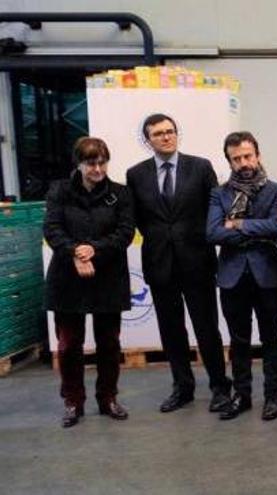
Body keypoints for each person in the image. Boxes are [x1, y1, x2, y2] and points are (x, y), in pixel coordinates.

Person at [126, 113, 231, 413]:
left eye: (170, 131)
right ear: (148, 140)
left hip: (197, 261)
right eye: (158, 133)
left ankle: (220, 387)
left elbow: (215, 211)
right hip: (160, 264)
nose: (166, 137)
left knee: (207, 328)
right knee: (171, 331)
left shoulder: (200, 167)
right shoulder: (136, 175)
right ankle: (182, 387)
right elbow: (139, 220)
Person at [44, 136, 135, 428]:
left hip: (107, 277)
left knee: (109, 342)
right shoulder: (59, 190)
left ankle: (108, 398)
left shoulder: (120, 193)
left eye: (102, 162)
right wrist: (75, 253)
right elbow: (52, 228)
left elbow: (125, 232)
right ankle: (73, 401)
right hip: (67, 278)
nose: (97, 169)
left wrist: (94, 249)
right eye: (91, 163)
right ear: (79, 163)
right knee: (69, 344)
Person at [206, 131, 277, 421]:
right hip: (231, 276)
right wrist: (255, 230)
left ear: (258, 155)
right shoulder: (219, 193)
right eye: (236, 158)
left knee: (271, 338)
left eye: (247, 156)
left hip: (267, 274)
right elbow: (212, 232)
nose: (243, 163)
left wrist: (237, 224)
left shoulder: (276, 191)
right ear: (229, 160)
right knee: (238, 340)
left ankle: (273, 397)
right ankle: (242, 396)